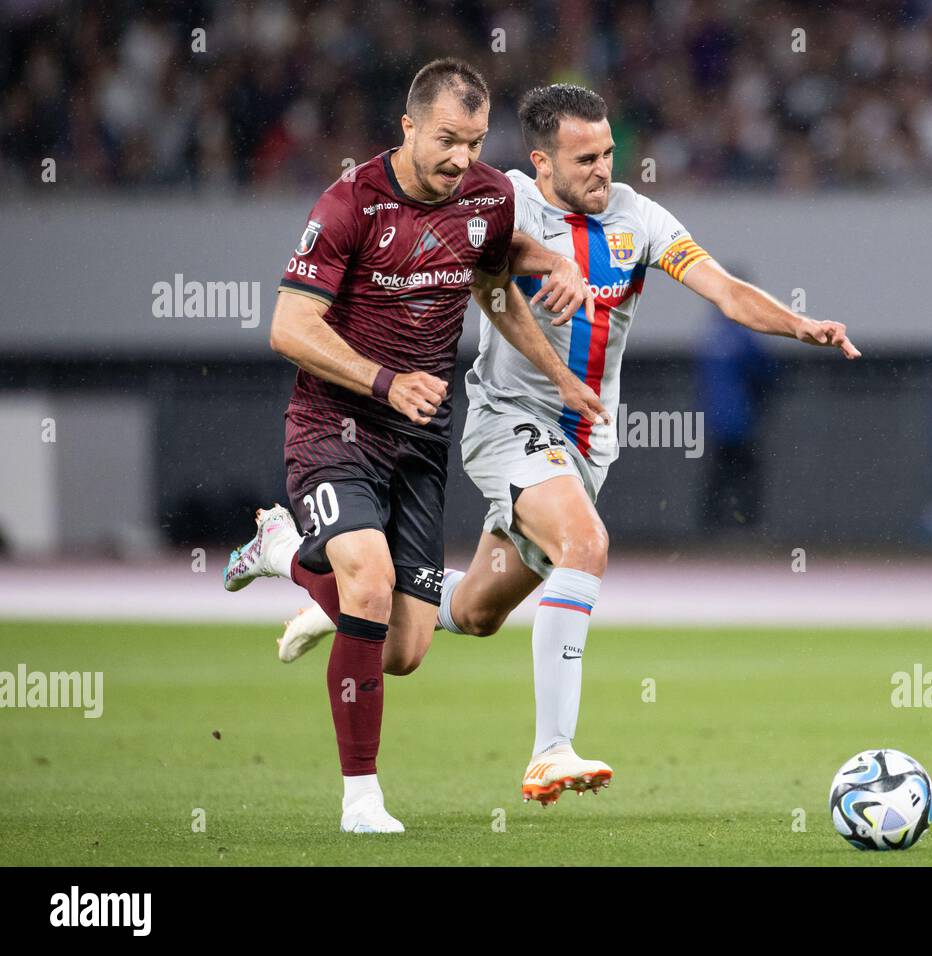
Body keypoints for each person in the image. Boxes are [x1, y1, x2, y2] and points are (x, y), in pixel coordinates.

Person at [271, 83, 860, 807]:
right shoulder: (502, 200)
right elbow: (478, 281)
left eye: (609, 153)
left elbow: (725, 290)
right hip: (507, 418)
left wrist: (801, 326)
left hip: (585, 445)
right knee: (586, 544)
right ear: (541, 163)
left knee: (478, 614)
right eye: (585, 158)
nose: (603, 169)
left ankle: (322, 583)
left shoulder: (639, 220)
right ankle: (551, 750)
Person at [222, 59, 604, 834]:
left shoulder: (489, 196)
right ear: (406, 127)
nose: (462, 158)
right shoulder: (347, 205)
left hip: (420, 443)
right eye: (446, 140)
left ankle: (286, 551)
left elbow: (496, 275)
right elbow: (288, 328)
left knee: (402, 650)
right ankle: (361, 800)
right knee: (366, 581)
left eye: (473, 141)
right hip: (338, 427)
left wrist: (559, 334)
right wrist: (385, 381)